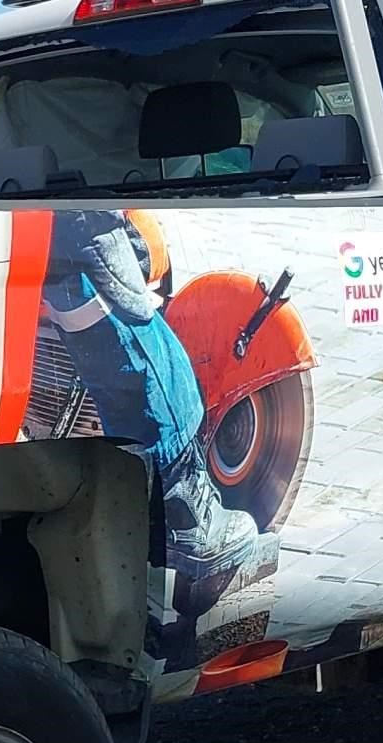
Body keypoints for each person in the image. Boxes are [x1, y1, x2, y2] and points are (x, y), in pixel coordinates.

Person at [37, 210, 275, 671]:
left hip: (39, 233)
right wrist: (98, 230)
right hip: (78, 227)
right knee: (153, 363)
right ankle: (191, 524)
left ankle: (149, 530)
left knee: (104, 348)